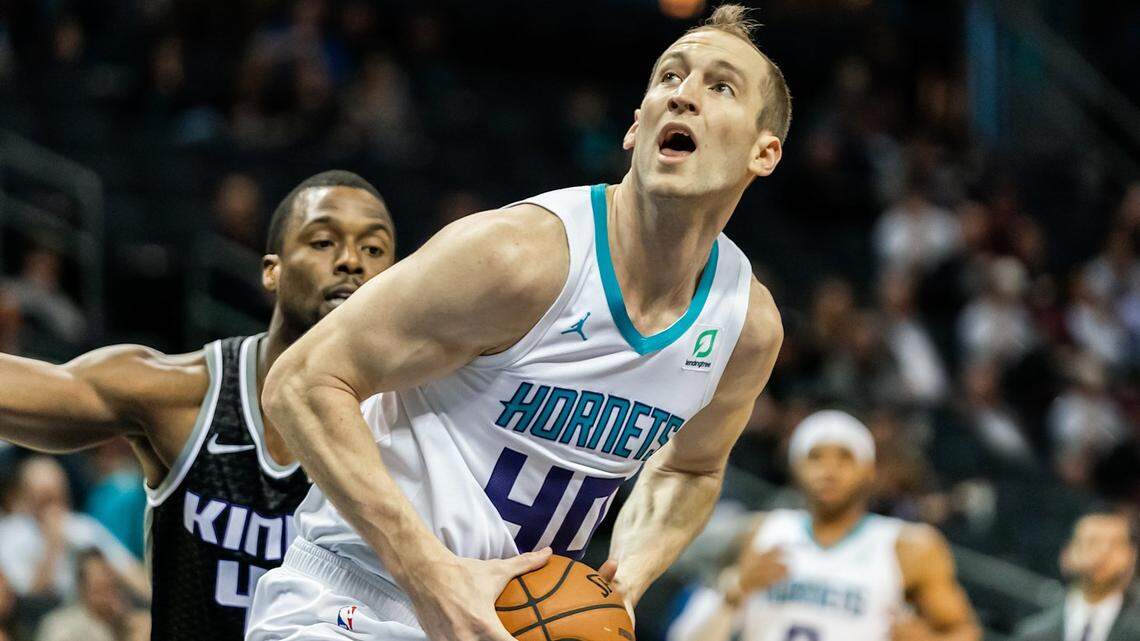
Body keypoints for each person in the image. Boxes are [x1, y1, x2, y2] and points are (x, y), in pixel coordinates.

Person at [249, 5, 785, 641]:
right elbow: (300, 383)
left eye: (720, 86)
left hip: (512, 623)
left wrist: (622, 583)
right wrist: (434, 577)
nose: (684, 96)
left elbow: (691, 469)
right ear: (634, 129)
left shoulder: (744, 327)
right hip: (360, 597)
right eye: (669, 78)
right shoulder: (520, 258)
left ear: (764, 151)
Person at [0, 170, 396, 641]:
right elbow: (41, 390)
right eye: (324, 242)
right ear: (272, 269)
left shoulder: (416, 423)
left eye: (373, 249)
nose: (351, 261)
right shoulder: (185, 395)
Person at [666, 410, 980, 641]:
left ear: (870, 470)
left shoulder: (909, 545)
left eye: (845, 457)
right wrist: (735, 590)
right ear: (795, 466)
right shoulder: (760, 532)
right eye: (815, 457)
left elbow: (965, 632)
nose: (829, 470)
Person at [0, 457, 147, 603]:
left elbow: (128, 569)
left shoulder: (82, 526)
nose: (55, 504)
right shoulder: (12, 533)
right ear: (27, 496)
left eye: (59, 493)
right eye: (45, 496)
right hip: (44, 617)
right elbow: (28, 598)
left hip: (92, 609)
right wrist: (52, 543)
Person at [1013, 512, 1140, 641]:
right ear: (1066, 555)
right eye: (1092, 542)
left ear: (1132, 558)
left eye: (1115, 545)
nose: (1103, 553)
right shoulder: (1033, 634)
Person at [34, 549, 149, 641]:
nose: (110, 597)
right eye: (101, 589)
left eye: (112, 588)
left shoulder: (132, 623)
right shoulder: (61, 627)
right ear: (83, 590)